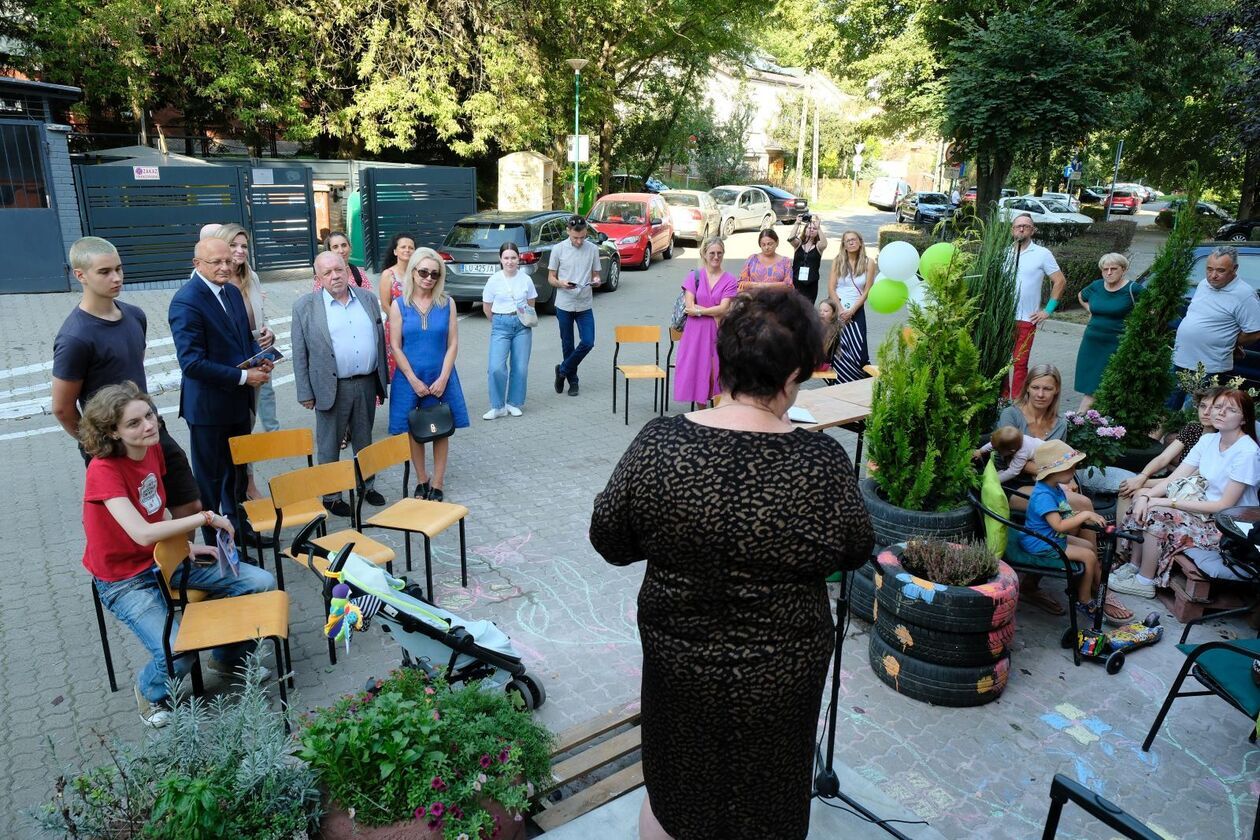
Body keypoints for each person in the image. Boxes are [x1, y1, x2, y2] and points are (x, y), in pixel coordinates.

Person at [590, 288, 874, 840]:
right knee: (767, 806)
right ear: (795, 374)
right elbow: (855, 548)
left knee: (674, 800)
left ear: (724, 363)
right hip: (781, 683)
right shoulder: (820, 463)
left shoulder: (660, 444)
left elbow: (610, 539)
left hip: (680, 674)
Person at [79, 382, 276, 728]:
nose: (149, 425)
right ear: (113, 432)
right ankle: (150, 691)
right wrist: (204, 519)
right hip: (124, 580)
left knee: (260, 582)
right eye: (134, 423)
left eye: (150, 415)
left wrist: (185, 546)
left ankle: (227, 658)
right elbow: (139, 531)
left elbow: (156, 513)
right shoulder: (103, 470)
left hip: (167, 559)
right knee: (178, 653)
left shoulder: (152, 449)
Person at [52, 237, 202, 520]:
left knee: (189, 505)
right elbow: (62, 407)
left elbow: (133, 370)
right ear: (80, 275)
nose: (116, 278)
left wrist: (144, 422)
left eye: (119, 269)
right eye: (105, 272)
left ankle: (180, 562)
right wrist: (98, 444)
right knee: (138, 520)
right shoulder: (75, 337)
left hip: (152, 427)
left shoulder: (135, 316)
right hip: (111, 442)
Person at [169, 237, 272, 543]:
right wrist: (244, 378)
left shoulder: (231, 292)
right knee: (212, 480)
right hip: (209, 410)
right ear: (197, 264)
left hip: (237, 405)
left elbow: (243, 340)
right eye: (217, 262)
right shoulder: (186, 301)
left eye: (229, 261)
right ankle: (217, 546)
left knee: (237, 474)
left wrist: (262, 358)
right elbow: (191, 363)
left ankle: (240, 531)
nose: (226, 267)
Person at [1112, 389, 1260, 598]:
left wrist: (1166, 502)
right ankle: (1133, 566)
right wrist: (1145, 497)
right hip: (1203, 512)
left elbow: (1223, 506)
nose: (1220, 413)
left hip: (1228, 527)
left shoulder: (1247, 452)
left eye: (1230, 410)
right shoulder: (1208, 441)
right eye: (1218, 407)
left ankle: (1145, 582)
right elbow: (1175, 478)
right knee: (1142, 500)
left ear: (1244, 418)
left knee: (1158, 513)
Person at [291, 252, 390, 516]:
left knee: (364, 439)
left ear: (347, 269)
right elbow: (299, 353)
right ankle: (331, 495)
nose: (335, 276)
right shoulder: (305, 307)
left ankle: (366, 486)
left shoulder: (367, 299)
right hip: (329, 386)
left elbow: (380, 340)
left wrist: (383, 380)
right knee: (328, 443)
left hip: (366, 383)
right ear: (318, 278)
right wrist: (305, 392)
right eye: (327, 273)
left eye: (339, 269)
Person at [388, 248, 469, 502]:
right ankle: (421, 479)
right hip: (409, 377)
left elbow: (453, 343)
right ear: (412, 272)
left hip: (440, 375)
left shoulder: (447, 304)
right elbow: (395, 346)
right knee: (415, 429)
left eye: (434, 274)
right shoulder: (399, 305)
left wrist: (444, 377)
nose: (428, 278)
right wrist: (412, 379)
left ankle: (438, 481)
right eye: (423, 272)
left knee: (441, 428)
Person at [1021, 441, 1132, 626]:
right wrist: (1085, 515)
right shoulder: (1044, 496)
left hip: (1051, 537)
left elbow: (1062, 514)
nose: (1074, 472)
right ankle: (1084, 599)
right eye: (1070, 468)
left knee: (1088, 546)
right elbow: (1059, 526)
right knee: (1088, 556)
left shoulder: (1054, 488)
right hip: (1042, 542)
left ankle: (1081, 585)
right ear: (1054, 472)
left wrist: (1078, 514)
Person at [212, 225, 279, 506]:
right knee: (231, 431)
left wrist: (268, 334)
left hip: (256, 358)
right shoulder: (212, 279)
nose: (239, 251)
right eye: (234, 246)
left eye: (244, 246)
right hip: (229, 368)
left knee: (248, 424)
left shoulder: (251, 276)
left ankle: (247, 482)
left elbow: (258, 319)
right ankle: (238, 489)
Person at [1170, 247, 1260, 408]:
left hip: (1209, 366)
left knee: (1194, 414)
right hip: (1181, 358)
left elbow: (1255, 332)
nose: (1213, 275)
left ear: (1235, 269)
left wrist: (1231, 342)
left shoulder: (1244, 294)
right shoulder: (1204, 285)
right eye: (1209, 269)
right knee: (1167, 408)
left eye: (1220, 270)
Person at [671, 237, 739, 406]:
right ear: (704, 254)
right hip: (695, 333)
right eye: (712, 253)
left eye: (720, 253)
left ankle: (717, 412)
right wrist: (712, 311)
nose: (716, 257)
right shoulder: (694, 276)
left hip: (718, 332)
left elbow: (723, 308)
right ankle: (702, 413)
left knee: (717, 372)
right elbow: (689, 306)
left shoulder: (730, 279)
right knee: (698, 371)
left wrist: (700, 311)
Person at [1005, 214, 1066, 399]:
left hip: (1026, 318)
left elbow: (1060, 281)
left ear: (1033, 230)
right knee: (1000, 362)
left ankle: (1017, 402)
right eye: (1018, 226)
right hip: (1003, 318)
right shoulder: (1004, 253)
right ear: (1012, 230)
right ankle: (1001, 400)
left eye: (1026, 226)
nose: (1021, 229)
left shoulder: (1042, 253)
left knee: (1020, 363)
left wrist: (1047, 310)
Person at [1119, 387, 1221, 497]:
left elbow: (1192, 478)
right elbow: (1163, 458)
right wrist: (1142, 476)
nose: (1206, 412)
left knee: (1135, 492)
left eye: (1213, 408)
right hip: (1172, 479)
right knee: (1128, 491)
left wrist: (1143, 483)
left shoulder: (1222, 439)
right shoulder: (1193, 429)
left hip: (1194, 488)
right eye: (1203, 406)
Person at [1075, 253, 1143, 412]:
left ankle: (1079, 418)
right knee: (1092, 385)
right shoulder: (1097, 286)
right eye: (1105, 269)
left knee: (1098, 387)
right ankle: (1093, 420)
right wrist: (1090, 310)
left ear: (1124, 269)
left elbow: (1151, 310)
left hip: (1115, 344)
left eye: (1114, 269)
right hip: (1091, 343)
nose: (1109, 273)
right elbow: (1081, 296)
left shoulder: (1133, 289)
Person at [481, 241, 538, 419]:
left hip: (522, 326)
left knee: (520, 367)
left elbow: (531, 303)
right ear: (500, 259)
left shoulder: (526, 279)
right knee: (496, 367)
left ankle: (513, 402)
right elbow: (486, 307)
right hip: (500, 325)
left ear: (518, 258)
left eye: (513, 257)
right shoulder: (494, 280)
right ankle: (497, 406)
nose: (510, 261)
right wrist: (498, 321)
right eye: (506, 258)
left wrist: (521, 318)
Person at [547, 215, 602, 397]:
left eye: (582, 237)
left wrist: (596, 281)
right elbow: (551, 278)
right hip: (564, 303)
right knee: (567, 344)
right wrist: (561, 283)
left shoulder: (592, 249)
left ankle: (562, 369)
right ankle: (573, 381)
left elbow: (596, 275)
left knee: (588, 341)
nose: (579, 241)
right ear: (568, 232)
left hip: (584, 303)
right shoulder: (558, 249)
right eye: (575, 237)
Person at [826, 229, 876, 382]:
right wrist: (840, 310)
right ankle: (837, 379)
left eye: (854, 239)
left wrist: (852, 310)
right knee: (836, 345)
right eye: (848, 241)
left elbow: (867, 290)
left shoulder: (869, 262)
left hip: (857, 308)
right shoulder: (838, 260)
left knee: (858, 346)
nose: (851, 242)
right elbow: (831, 287)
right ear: (844, 245)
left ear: (860, 242)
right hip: (837, 306)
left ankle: (858, 379)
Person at [378, 232, 417, 380]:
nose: (407, 250)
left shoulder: (418, 273)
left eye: (411, 247)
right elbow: (386, 305)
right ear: (395, 251)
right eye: (403, 247)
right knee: (399, 369)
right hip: (396, 328)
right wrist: (402, 322)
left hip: (416, 326)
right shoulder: (388, 275)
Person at [997, 363, 1067, 441]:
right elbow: (1006, 450)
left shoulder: (1060, 425)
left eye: (1047, 389)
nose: (1040, 394)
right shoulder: (1011, 415)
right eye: (1035, 388)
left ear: (1056, 390)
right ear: (1027, 387)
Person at [787, 215, 827, 303]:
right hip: (796, 282)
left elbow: (824, 243)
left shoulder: (818, 246)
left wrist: (819, 227)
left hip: (811, 283)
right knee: (794, 307)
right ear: (805, 230)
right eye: (809, 228)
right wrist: (797, 223)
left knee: (808, 310)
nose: (812, 230)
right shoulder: (799, 244)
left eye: (814, 228)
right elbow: (791, 239)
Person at [817, 299, 842, 371]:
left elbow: (830, 355)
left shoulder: (835, 332)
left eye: (825, 311)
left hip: (823, 364)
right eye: (820, 310)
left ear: (833, 314)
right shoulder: (815, 326)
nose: (822, 313)